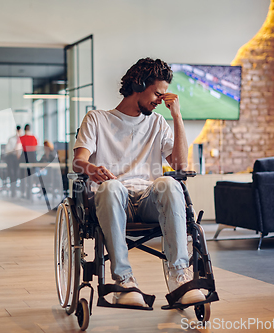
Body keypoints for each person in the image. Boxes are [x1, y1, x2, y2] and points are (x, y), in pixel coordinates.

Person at [73, 57, 206, 307]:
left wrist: (176, 117)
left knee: (169, 182)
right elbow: (78, 161)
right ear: (138, 84)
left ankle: (180, 277)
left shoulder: (157, 122)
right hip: (113, 198)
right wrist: (91, 168)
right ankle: (124, 281)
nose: (161, 100)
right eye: (157, 93)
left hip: (147, 200)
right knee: (111, 187)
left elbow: (179, 164)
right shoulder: (97, 119)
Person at [19, 124, 38, 198]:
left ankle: (23, 192)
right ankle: (29, 193)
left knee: (23, 177)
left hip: (24, 157)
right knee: (30, 176)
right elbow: (35, 147)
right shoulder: (34, 138)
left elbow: (19, 148)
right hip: (32, 157)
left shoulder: (22, 138)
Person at [5, 125, 22, 197]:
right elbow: (7, 151)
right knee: (12, 174)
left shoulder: (23, 139)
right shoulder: (11, 139)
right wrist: (14, 149)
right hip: (12, 157)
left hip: (21, 158)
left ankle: (22, 191)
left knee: (19, 174)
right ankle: (13, 191)